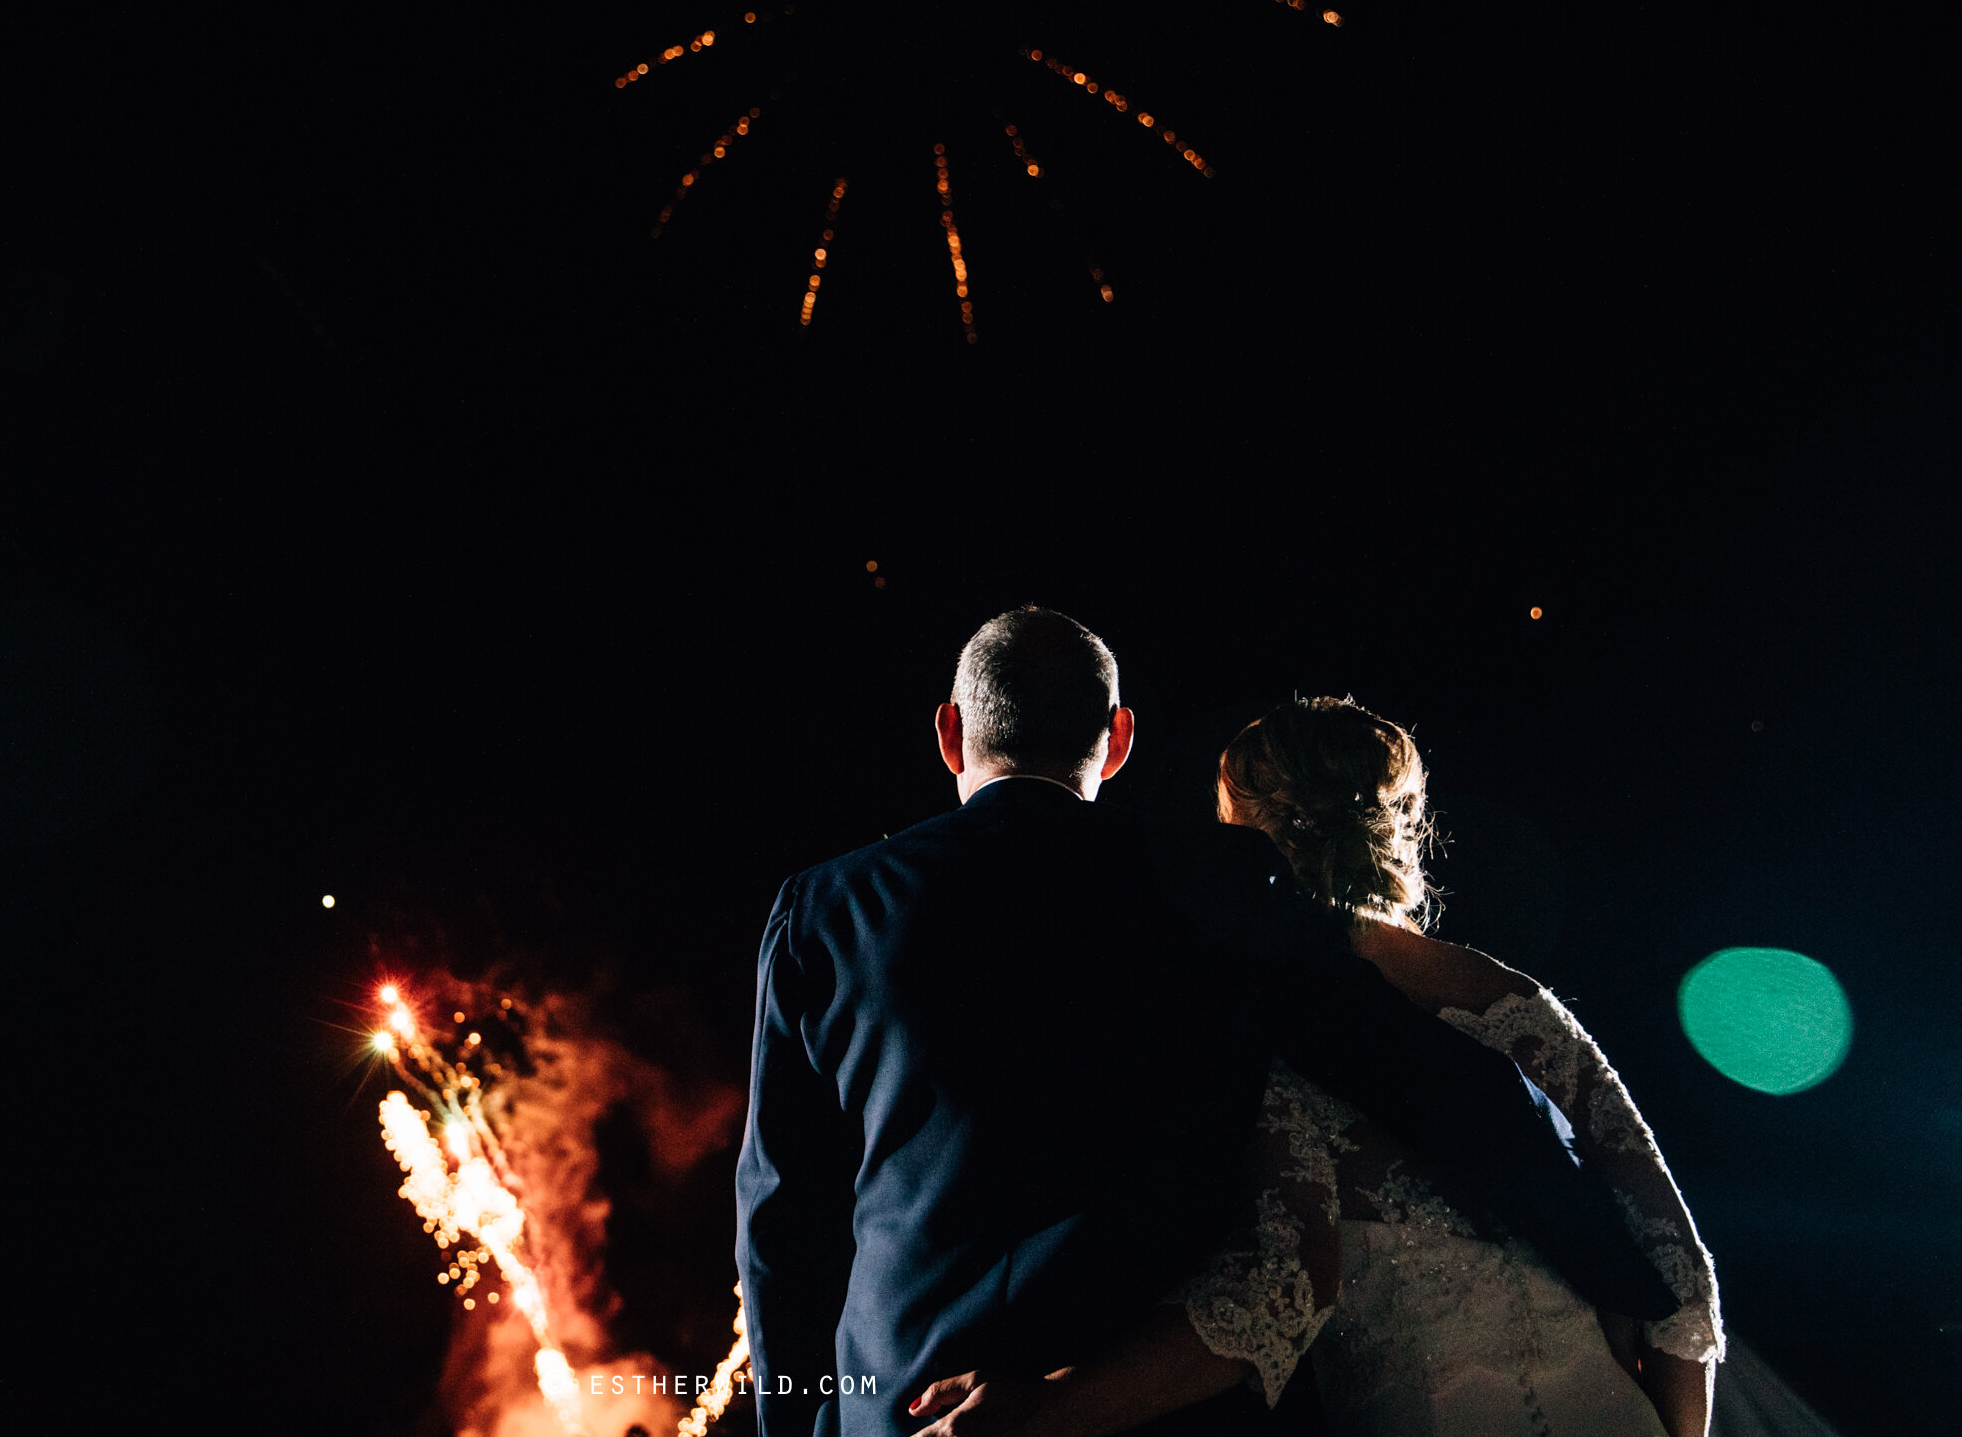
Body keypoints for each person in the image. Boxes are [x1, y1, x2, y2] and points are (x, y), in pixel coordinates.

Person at [737, 610, 1675, 1437]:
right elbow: (1423, 1068)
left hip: (900, 1407)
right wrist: (1617, 1268)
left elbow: (781, 1216)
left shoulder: (820, 909)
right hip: (1147, 1402)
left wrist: (802, 1420)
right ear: (1118, 739)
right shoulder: (1208, 888)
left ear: (950, 733)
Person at [907, 699, 1724, 1437]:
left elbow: (1279, 1290)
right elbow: (1681, 1277)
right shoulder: (1519, 1004)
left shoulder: (1271, 1018)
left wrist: (1048, 1407)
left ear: (1243, 842)